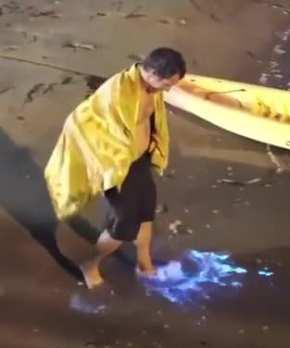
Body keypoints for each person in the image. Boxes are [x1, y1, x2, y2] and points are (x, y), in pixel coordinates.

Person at [45, 48, 186, 288]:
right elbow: (79, 121)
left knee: (146, 213)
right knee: (123, 227)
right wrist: (108, 166)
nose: (168, 90)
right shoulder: (117, 93)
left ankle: (144, 263)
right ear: (151, 72)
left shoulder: (151, 87)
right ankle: (90, 265)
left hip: (140, 161)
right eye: (166, 84)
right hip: (118, 168)